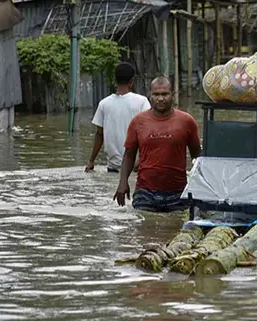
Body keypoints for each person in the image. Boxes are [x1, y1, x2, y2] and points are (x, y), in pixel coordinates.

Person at [113, 76, 202, 212]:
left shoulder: (187, 121)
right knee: (144, 229)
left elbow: (197, 156)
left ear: (173, 94)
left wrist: (201, 187)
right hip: (145, 192)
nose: (160, 99)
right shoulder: (138, 121)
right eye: (156, 94)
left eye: (165, 94)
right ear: (150, 95)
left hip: (178, 193)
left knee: (173, 230)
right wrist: (122, 183)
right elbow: (129, 155)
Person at [85, 62, 151, 173]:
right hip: (135, 167)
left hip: (112, 167)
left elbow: (99, 134)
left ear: (114, 80)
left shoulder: (104, 104)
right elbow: (148, 132)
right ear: (132, 81)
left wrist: (91, 161)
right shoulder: (142, 101)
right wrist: (140, 158)